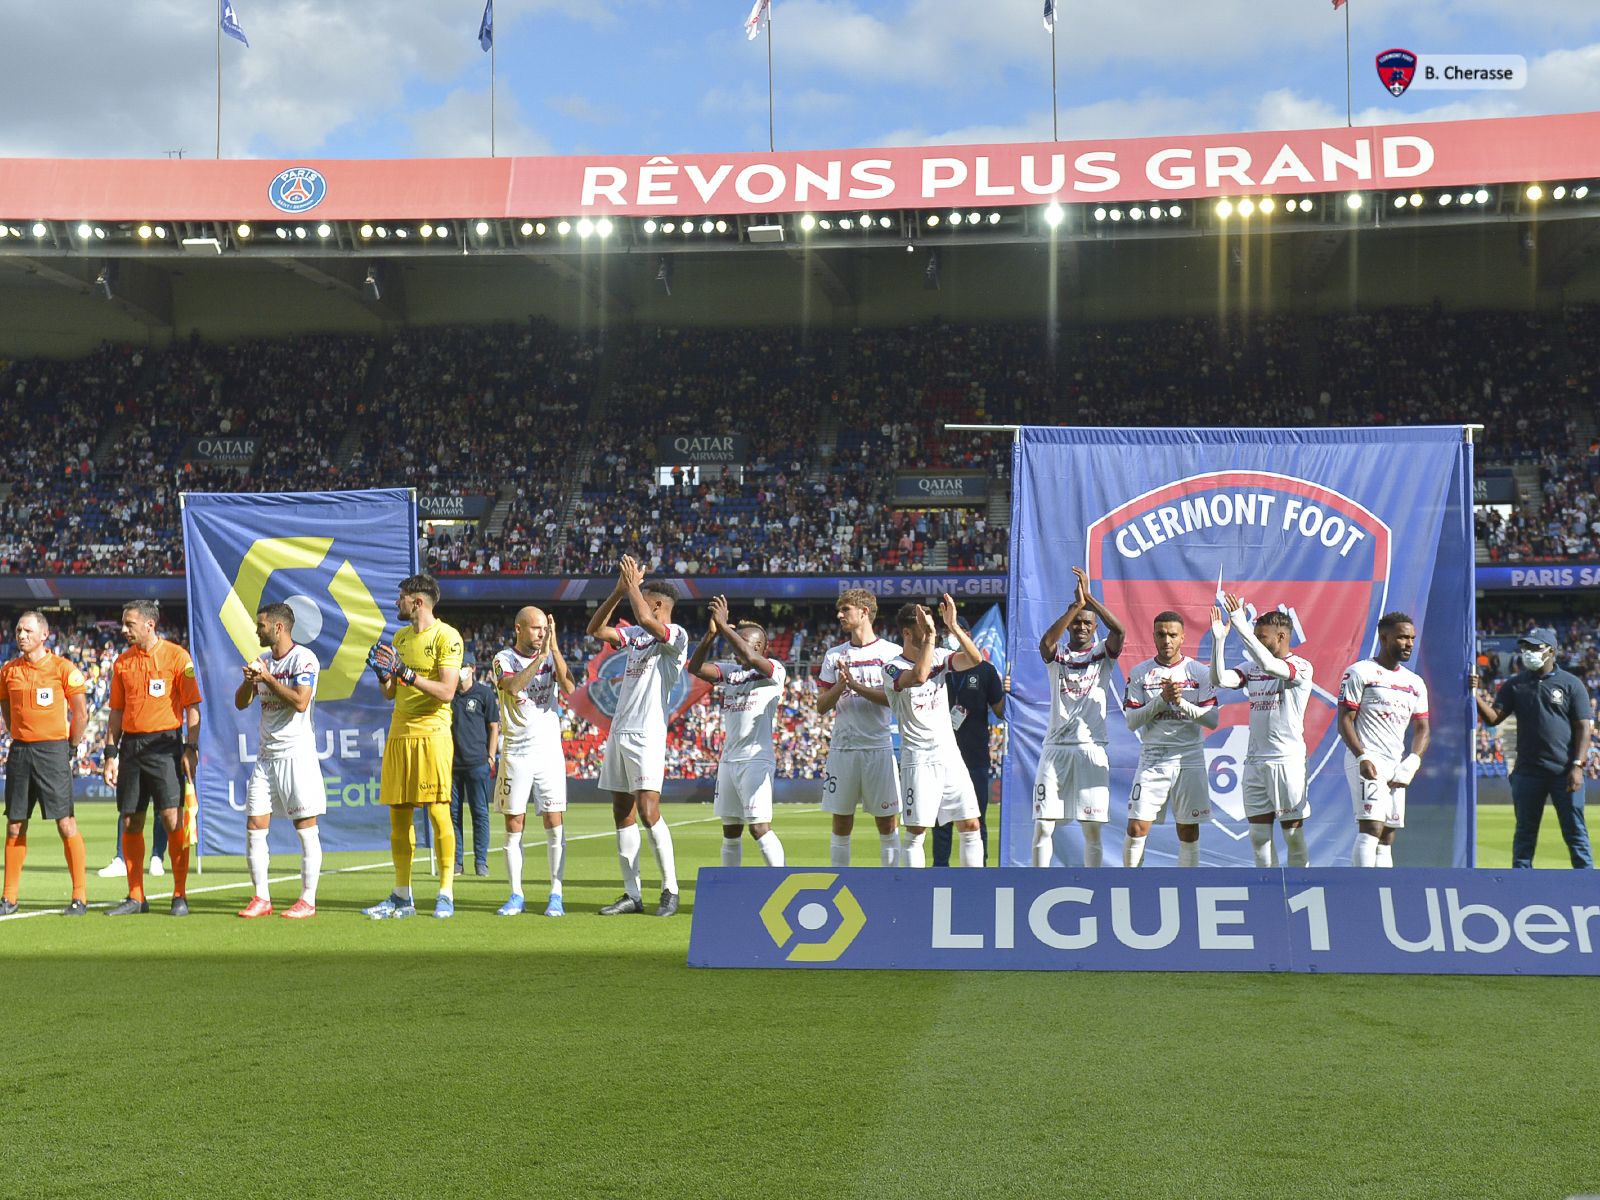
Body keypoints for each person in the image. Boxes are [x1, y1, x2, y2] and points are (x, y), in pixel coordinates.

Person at [838, 596, 985, 868]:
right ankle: (913, 893)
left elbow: (976, 659)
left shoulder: (940, 656)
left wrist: (952, 626)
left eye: (934, 625)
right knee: (917, 831)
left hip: (950, 756)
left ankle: (972, 888)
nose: (933, 630)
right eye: (925, 625)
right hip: (919, 759)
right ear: (908, 632)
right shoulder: (892, 667)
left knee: (971, 824)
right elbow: (918, 676)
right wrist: (930, 637)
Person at [588, 556, 687, 917]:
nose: (638, 600)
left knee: (648, 811)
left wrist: (632, 584)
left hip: (647, 732)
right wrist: (618, 591)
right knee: (622, 812)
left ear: (658, 604)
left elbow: (646, 618)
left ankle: (670, 890)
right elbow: (596, 630)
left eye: (643, 596)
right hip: (620, 729)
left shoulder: (676, 636)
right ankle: (633, 894)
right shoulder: (637, 636)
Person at [362, 574, 463, 919]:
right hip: (399, 730)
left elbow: (448, 692)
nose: (397, 603)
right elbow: (392, 692)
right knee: (398, 814)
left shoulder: (447, 637)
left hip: (433, 732)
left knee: (437, 811)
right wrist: (384, 676)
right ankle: (402, 895)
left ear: (417, 602)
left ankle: (446, 891)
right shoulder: (400, 637)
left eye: (401, 597)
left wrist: (407, 674)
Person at [103, 600, 202, 916]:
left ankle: (179, 895)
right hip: (131, 748)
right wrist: (109, 754)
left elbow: (193, 707)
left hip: (165, 746)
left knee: (173, 819)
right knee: (131, 820)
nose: (123, 629)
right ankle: (136, 897)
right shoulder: (122, 662)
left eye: (129, 624)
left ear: (149, 624)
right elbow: (116, 712)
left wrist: (191, 748)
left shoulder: (177, 657)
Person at [1470, 627, 1592, 868]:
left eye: (1535, 648)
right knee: (1524, 835)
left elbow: (1583, 728)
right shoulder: (1515, 685)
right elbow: (1494, 718)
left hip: (1564, 772)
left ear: (1551, 651)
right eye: (1526, 647)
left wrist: (1578, 766)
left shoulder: (1571, 684)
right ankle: (1520, 888)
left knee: (1576, 833)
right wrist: (1475, 695)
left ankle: (1589, 889)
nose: (1528, 652)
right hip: (1527, 772)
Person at [232, 602, 323, 919]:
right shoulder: (264, 661)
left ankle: (308, 900)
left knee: (305, 826)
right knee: (255, 825)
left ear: (278, 627)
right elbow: (241, 703)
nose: (258, 630)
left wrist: (268, 679)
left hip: (296, 754)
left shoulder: (304, 659)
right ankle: (261, 898)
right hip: (265, 756)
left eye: (261, 625)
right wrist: (249, 681)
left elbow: (300, 702)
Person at [1209, 596, 1313, 868]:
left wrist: (1240, 623)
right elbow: (1219, 679)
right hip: (1255, 761)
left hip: (1286, 761)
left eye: (1261, 637)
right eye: (1253, 636)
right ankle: (1267, 894)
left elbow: (1270, 666)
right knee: (1258, 837)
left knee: (1292, 835)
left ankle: (1299, 889)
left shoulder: (1300, 667)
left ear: (1281, 636)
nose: (1254, 642)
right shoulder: (1251, 668)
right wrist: (1219, 640)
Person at [1032, 567, 1125, 868]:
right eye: (1077, 623)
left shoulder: (1103, 653)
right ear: (1070, 626)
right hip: (1055, 749)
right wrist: (1075, 607)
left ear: (1095, 628)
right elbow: (1045, 643)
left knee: (1092, 829)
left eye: (1087, 623)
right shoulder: (1057, 654)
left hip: (1091, 747)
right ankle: (1037, 882)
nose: (1081, 627)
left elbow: (1120, 631)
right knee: (1044, 826)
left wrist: (1089, 600)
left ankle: (1093, 884)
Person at [0, 611, 90, 915]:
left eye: (27, 630)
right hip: (20, 751)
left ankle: (79, 897)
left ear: (44, 634)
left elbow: (81, 713)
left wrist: (71, 748)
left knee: (65, 823)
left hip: (53, 751)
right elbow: (5, 705)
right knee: (14, 824)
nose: (21, 635)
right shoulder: (8, 671)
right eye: (18, 630)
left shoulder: (64, 669)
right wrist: (19, 734)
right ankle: (9, 898)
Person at [687, 595, 786, 868]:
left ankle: (782, 880)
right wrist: (710, 635)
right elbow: (694, 668)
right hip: (729, 760)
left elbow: (748, 656)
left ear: (758, 645)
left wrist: (725, 626)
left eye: (743, 640)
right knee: (730, 831)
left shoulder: (774, 670)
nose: (734, 648)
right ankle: (730, 886)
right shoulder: (730, 672)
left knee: (758, 828)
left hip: (756, 758)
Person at [493, 606, 576, 916]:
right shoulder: (503, 659)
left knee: (554, 822)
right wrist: (541, 659)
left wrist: (553, 650)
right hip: (515, 753)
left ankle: (556, 893)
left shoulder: (550, 654)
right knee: (515, 824)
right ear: (519, 629)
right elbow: (513, 687)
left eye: (545, 628)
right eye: (536, 628)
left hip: (548, 753)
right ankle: (516, 894)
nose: (542, 633)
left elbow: (569, 687)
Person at [1122, 610, 1218, 867]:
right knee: (1136, 828)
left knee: (1188, 832)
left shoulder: (1199, 672)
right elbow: (1132, 721)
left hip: (1190, 758)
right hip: (1153, 757)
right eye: (1161, 634)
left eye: (1172, 635)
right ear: (1153, 636)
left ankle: (1186, 890)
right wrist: (1161, 700)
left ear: (1183, 637)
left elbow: (1212, 720)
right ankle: (1129, 888)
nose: (1167, 640)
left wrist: (1180, 702)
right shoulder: (1140, 673)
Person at [817, 588, 903, 868]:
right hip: (843, 749)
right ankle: (841, 880)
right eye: (839, 609)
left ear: (864, 612)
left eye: (846, 609)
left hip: (879, 748)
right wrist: (841, 686)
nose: (839, 615)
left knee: (888, 823)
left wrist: (855, 686)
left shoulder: (891, 653)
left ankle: (893, 884)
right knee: (841, 822)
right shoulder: (834, 655)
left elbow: (892, 699)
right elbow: (821, 705)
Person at [1338, 611, 1430, 868]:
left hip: (1395, 765)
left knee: (1388, 834)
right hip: (1367, 760)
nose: (1409, 643)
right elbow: (1344, 720)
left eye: (1411, 638)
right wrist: (1362, 756)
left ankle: (1383, 891)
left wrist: (1411, 762)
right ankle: (1363, 890)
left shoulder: (1415, 683)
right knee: (1371, 828)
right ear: (1384, 637)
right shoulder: (1360, 672)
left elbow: (1423, 727)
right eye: (1402, 637)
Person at [934, 613, 1005, 867]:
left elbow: (1000, 711)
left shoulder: (986, 670)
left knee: (977, 818)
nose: (948, 636)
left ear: (968, 636)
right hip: (940, 755)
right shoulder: (937, 667)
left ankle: (981, 870)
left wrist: (1008, 689)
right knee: (940, 821)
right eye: (945, 632)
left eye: (954, 632)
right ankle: (939, 870)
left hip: (974, 755)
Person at [449, 658, 499, 879]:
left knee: (480, 814)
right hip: (451, 765)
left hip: (478, 763)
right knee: (453, 816)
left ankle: (481, 862)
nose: (460, 671)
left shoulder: (484, 694)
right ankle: (456, 862)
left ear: (473, 669)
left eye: (463, 666)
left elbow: (494, 726)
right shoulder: (448, 694)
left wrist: (490, 756)